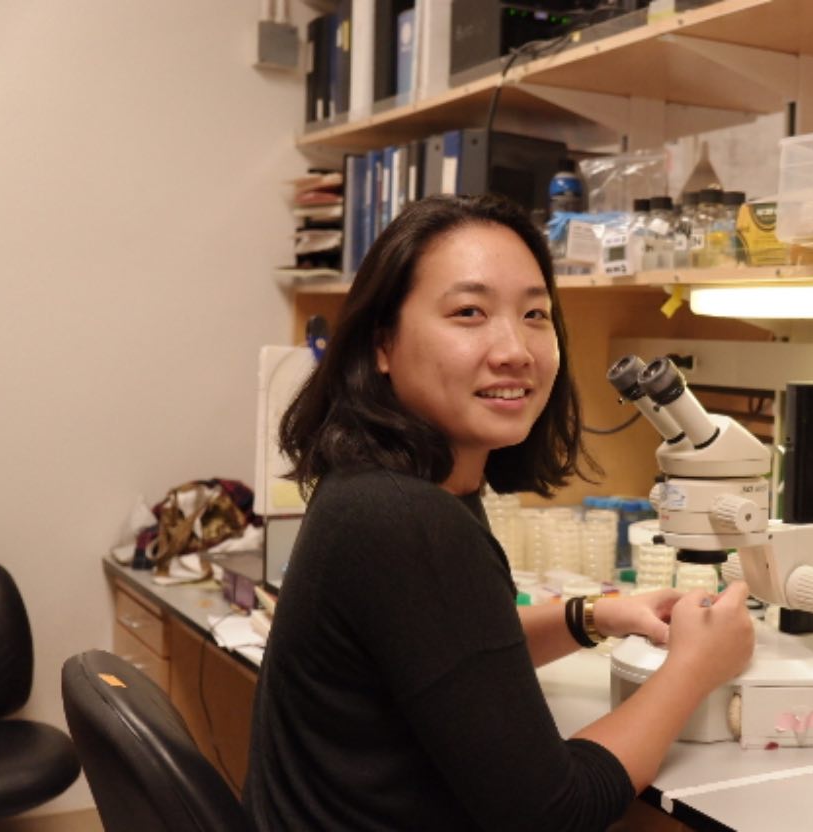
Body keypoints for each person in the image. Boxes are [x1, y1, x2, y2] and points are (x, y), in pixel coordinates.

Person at [243, 194, 755, 831]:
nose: (515, 349)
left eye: (535, 314)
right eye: (469, 312)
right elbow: (552, 813)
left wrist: (590, 616)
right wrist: (694, 670)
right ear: (383, 344)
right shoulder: (406, 519)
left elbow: (458, 660)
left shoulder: (387, 487)